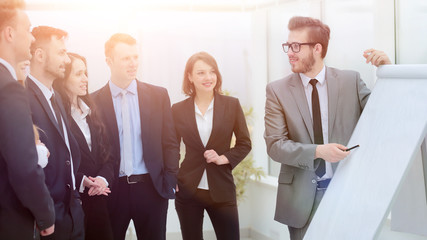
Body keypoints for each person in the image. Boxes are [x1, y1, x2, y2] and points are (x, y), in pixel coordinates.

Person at [263, 16, 391, 240]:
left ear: (317, 48)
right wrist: (318, 151)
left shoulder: (350, 81)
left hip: (348, 195)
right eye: (287, 46)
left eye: (296, 46)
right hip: (301, 201)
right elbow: (275, 146)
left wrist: (388, 73)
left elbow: (383, 119)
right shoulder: (277, 91)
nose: (290, 52)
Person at [91, 33, 180, 240]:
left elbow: (170, 142)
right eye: (125, 58)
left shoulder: (158, 95)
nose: (133, 63)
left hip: (151, 189)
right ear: (108, 61)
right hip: (112, 191)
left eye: (135, 57)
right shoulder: (93, 102)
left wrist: (170, 178)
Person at [172, 52, 252, 240]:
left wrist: (223, 158)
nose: (208, 78)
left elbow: (244, 143)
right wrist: (172, 175)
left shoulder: (231, 105)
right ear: (190, 77)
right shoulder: (178, 110)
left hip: (222, 189)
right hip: (188, 190)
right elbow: (172, 146)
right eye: (200, 73)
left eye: (212, 72)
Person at [0, 1, 55, 239]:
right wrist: (46, 215)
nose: (32, 38)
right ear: (9, 33)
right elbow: (23, 168)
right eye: (28, 29)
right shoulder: (8, 89)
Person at [26, 25, 85, 240]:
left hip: (73, 213)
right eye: (61, 53)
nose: (67, 60)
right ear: (39, 55)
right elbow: (25, 165)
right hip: (46, 220)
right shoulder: (21, 98)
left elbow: (65, 153)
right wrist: (44, 216)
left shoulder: (57, 98)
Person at [53, 52, 114, 240]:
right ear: (63, 78)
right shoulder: (56, 114)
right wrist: (82, 180)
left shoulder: (92, 111)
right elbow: (56, 162)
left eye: (86, 73)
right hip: (73, 203)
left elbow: (108, 155)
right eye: (79, 74)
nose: (85, 79)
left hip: (99, 199)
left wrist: (102, 179)